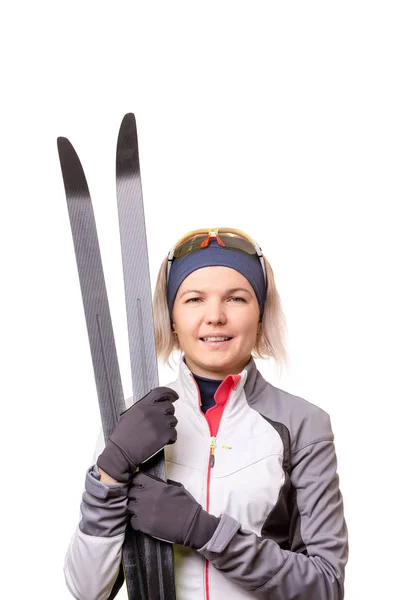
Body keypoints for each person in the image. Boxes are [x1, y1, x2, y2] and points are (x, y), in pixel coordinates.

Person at [64, 227, 348, 600]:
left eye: (236, 298)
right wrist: (110, 470)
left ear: (261, 315)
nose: (215, 316)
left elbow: (325, 586)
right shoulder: (130, 420)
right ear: (172, 318)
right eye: (194, 299)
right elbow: (87, 591)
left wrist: (204, 531)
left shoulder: (302, 425)